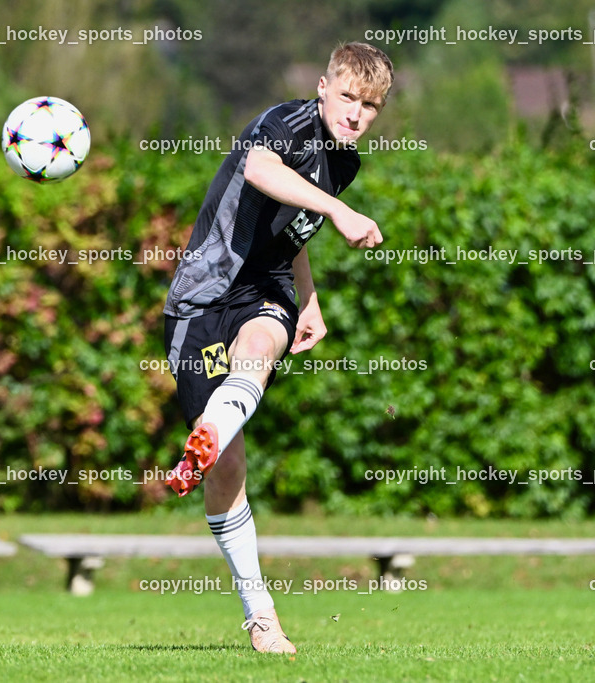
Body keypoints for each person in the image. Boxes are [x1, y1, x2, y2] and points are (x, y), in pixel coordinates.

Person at [162, 42, 393, 653]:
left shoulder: (344, 164)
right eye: (347, 97)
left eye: (370, 106)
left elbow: (295, 230)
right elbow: (262, 172)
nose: (355, 114)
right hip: (200, 300)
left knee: (263, 345)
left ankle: (265, 623)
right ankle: (253, 596)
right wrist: (340, 211)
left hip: (265, 290)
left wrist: (309, 298)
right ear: (322, 87)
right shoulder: (284, 123)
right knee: (229, 468)